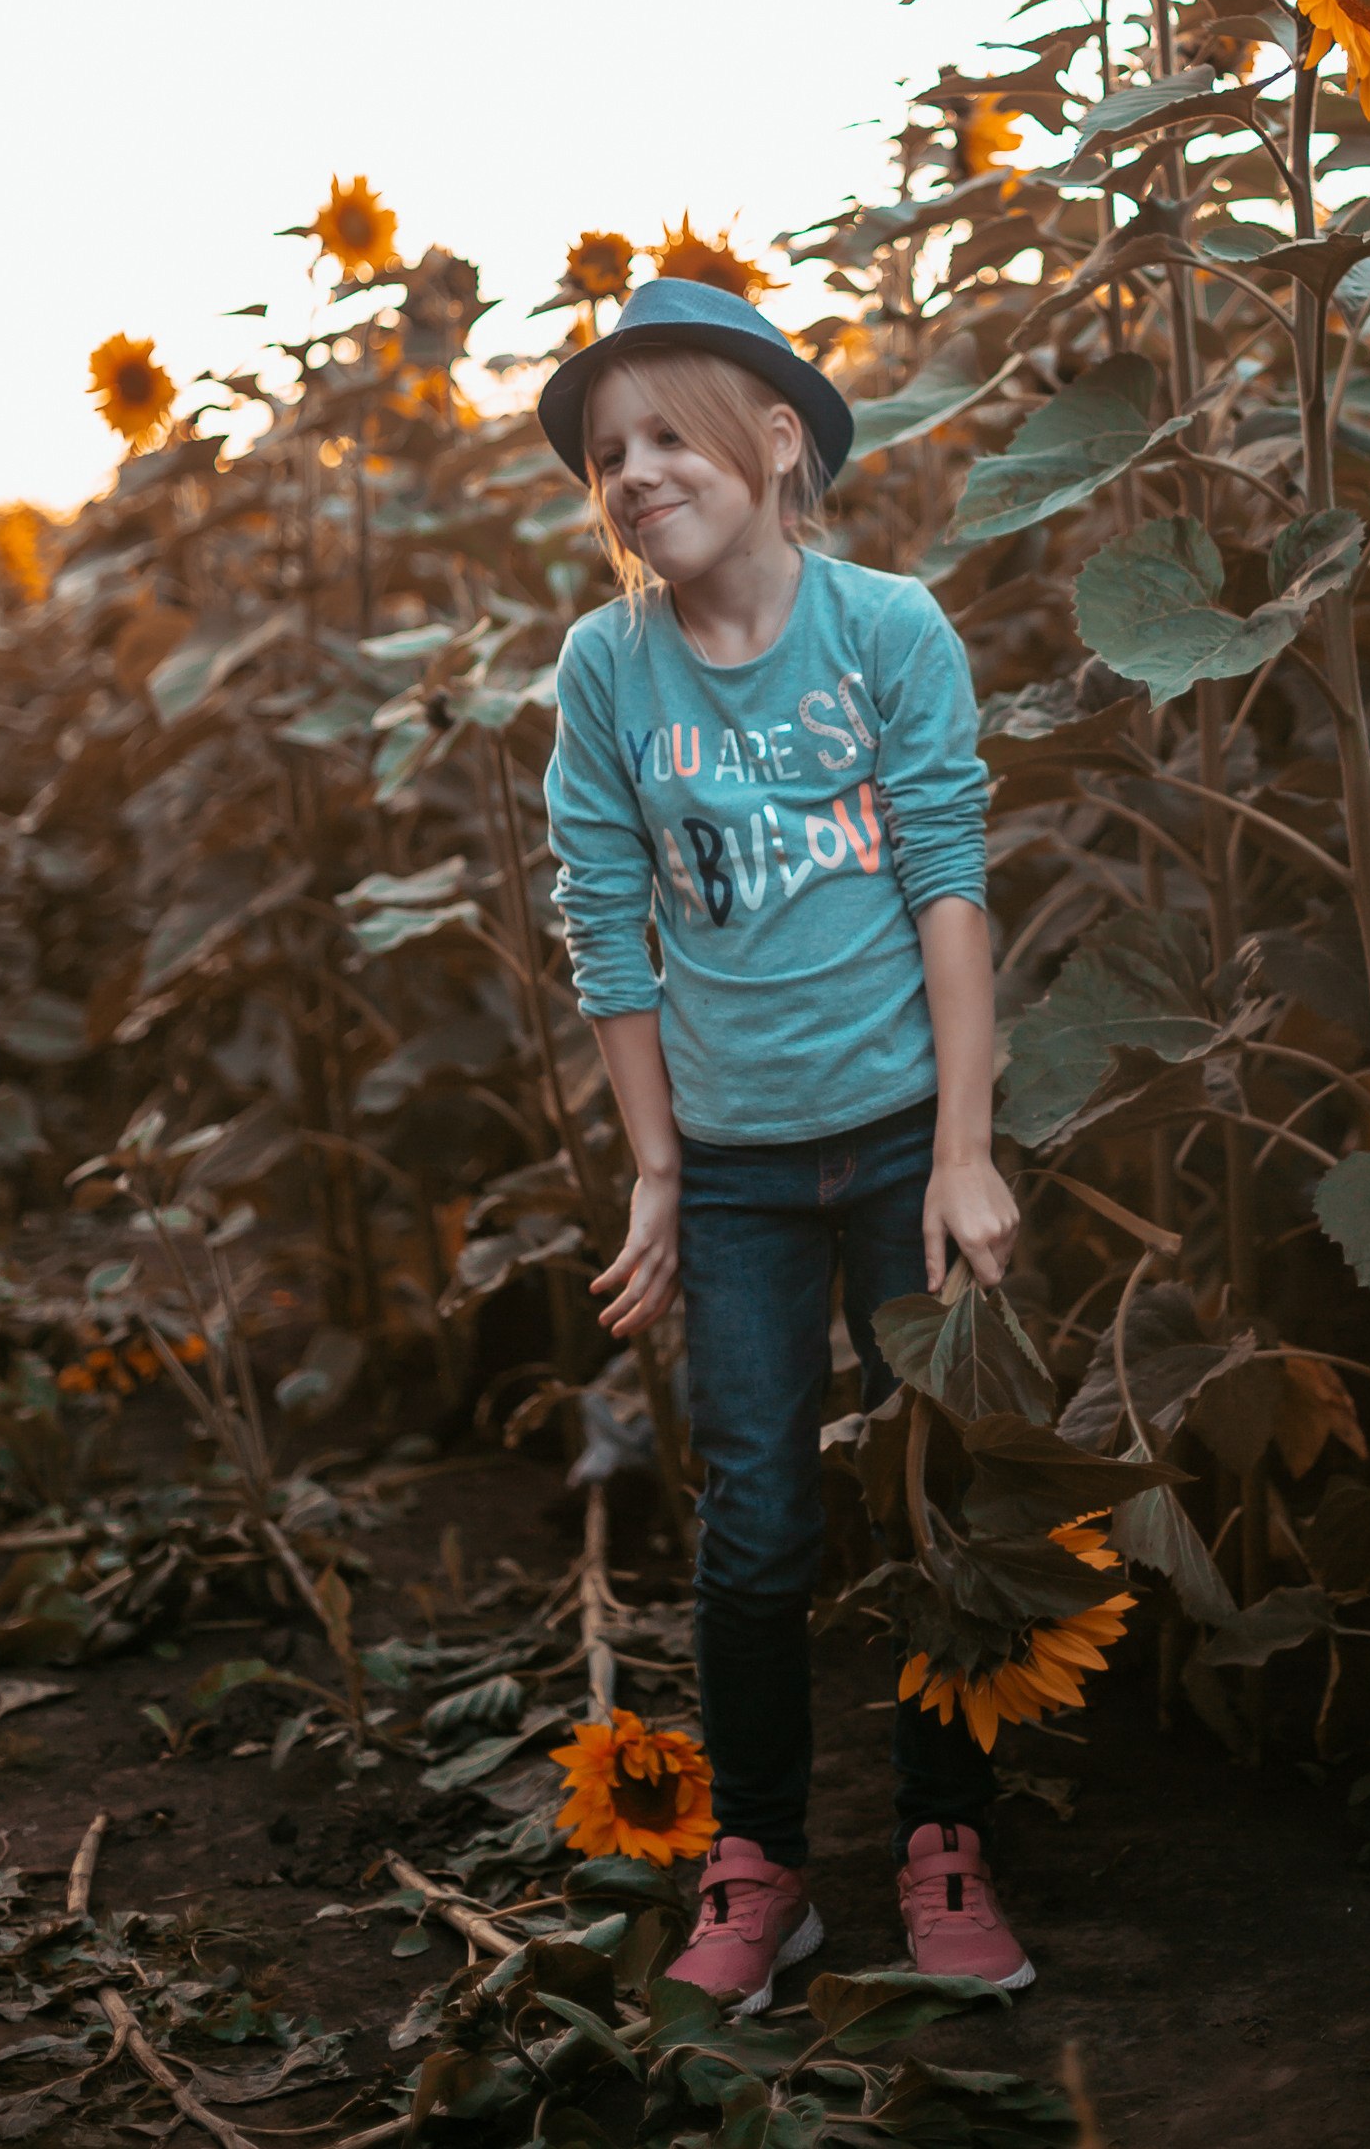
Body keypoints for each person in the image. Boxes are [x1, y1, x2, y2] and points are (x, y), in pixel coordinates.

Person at [538, 278, 1031, 2012]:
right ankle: (758, 1864)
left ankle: (944, 1837)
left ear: (773, 440)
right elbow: (604, 925)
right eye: (609, 453)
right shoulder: (608, 672)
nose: (636, 472)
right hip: (738, 1168)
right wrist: (659, 1170)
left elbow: (947, 884)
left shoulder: (890, 630)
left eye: (668, 432)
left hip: (902, 1134)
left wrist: (965, 1147)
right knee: (753, 1519)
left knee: (925, 1492)